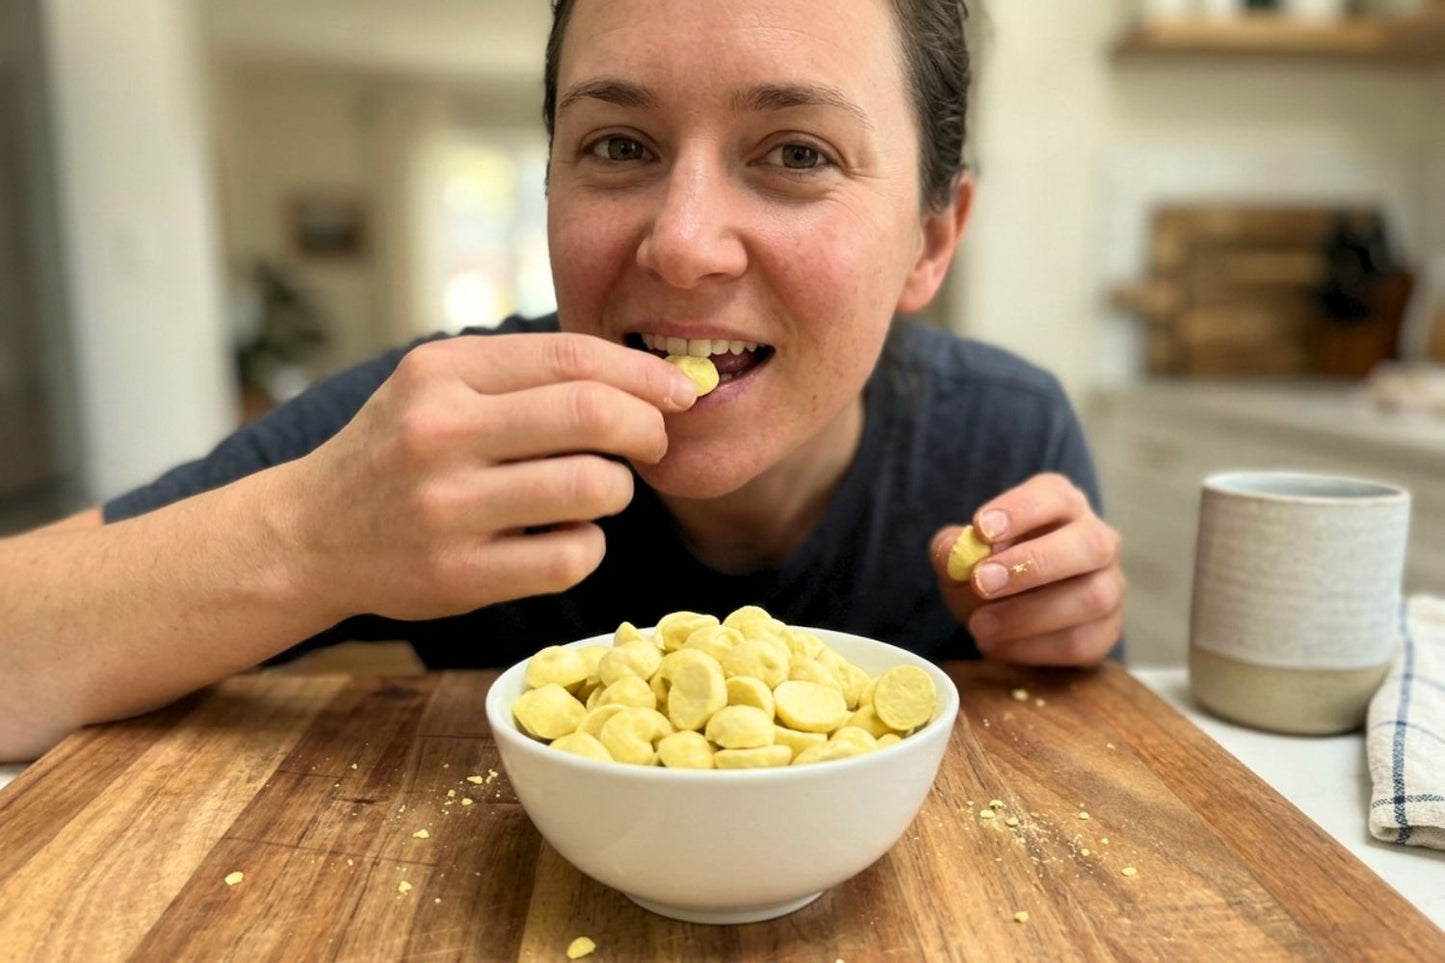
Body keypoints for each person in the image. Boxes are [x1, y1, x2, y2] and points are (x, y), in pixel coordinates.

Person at [0, 0, 1124, 762]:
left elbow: (1097, 763)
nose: (682, 244)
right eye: (618, 147)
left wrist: (1065, 645)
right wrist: (308, 537)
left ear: (932, 239)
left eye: (795, 153)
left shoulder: (1002, 439)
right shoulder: (440, 430)